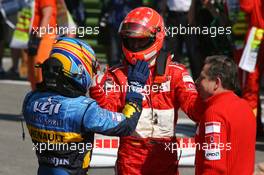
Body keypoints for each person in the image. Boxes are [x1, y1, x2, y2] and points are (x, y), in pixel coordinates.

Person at [90, 7, 203, 175]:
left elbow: (196, 111)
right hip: (130, 165)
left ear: (157, 36)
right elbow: (105, 118)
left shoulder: (176, 73)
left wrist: (213, 96)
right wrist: (97, 90)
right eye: (130, 41)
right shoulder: (117, 75)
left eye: (140, 40)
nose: (134, 45)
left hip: (166, 164)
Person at [22, 37, 150, 175]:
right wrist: (135, 89)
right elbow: (127, 125)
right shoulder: (83, 109)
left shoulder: (30, 99)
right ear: (78, 68)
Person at [195, 55, 256, 175]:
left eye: (202, 78)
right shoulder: (246, 107)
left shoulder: (214, 113)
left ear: (217, 83)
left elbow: (214, 167)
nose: (197, 82)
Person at [240, 0, 264, 137]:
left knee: (250, 84)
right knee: (250, 84)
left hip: (257, 33)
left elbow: (245, 6)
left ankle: (252, 127)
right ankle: (255, 126)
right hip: (256, 34)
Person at [27, 0, 57, 90]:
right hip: (34, 34)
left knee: (40, 68)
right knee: (33, 71)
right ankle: (36, 94)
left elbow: (47, 14)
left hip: (44, 35)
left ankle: (42, 96)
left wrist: (38, 39)